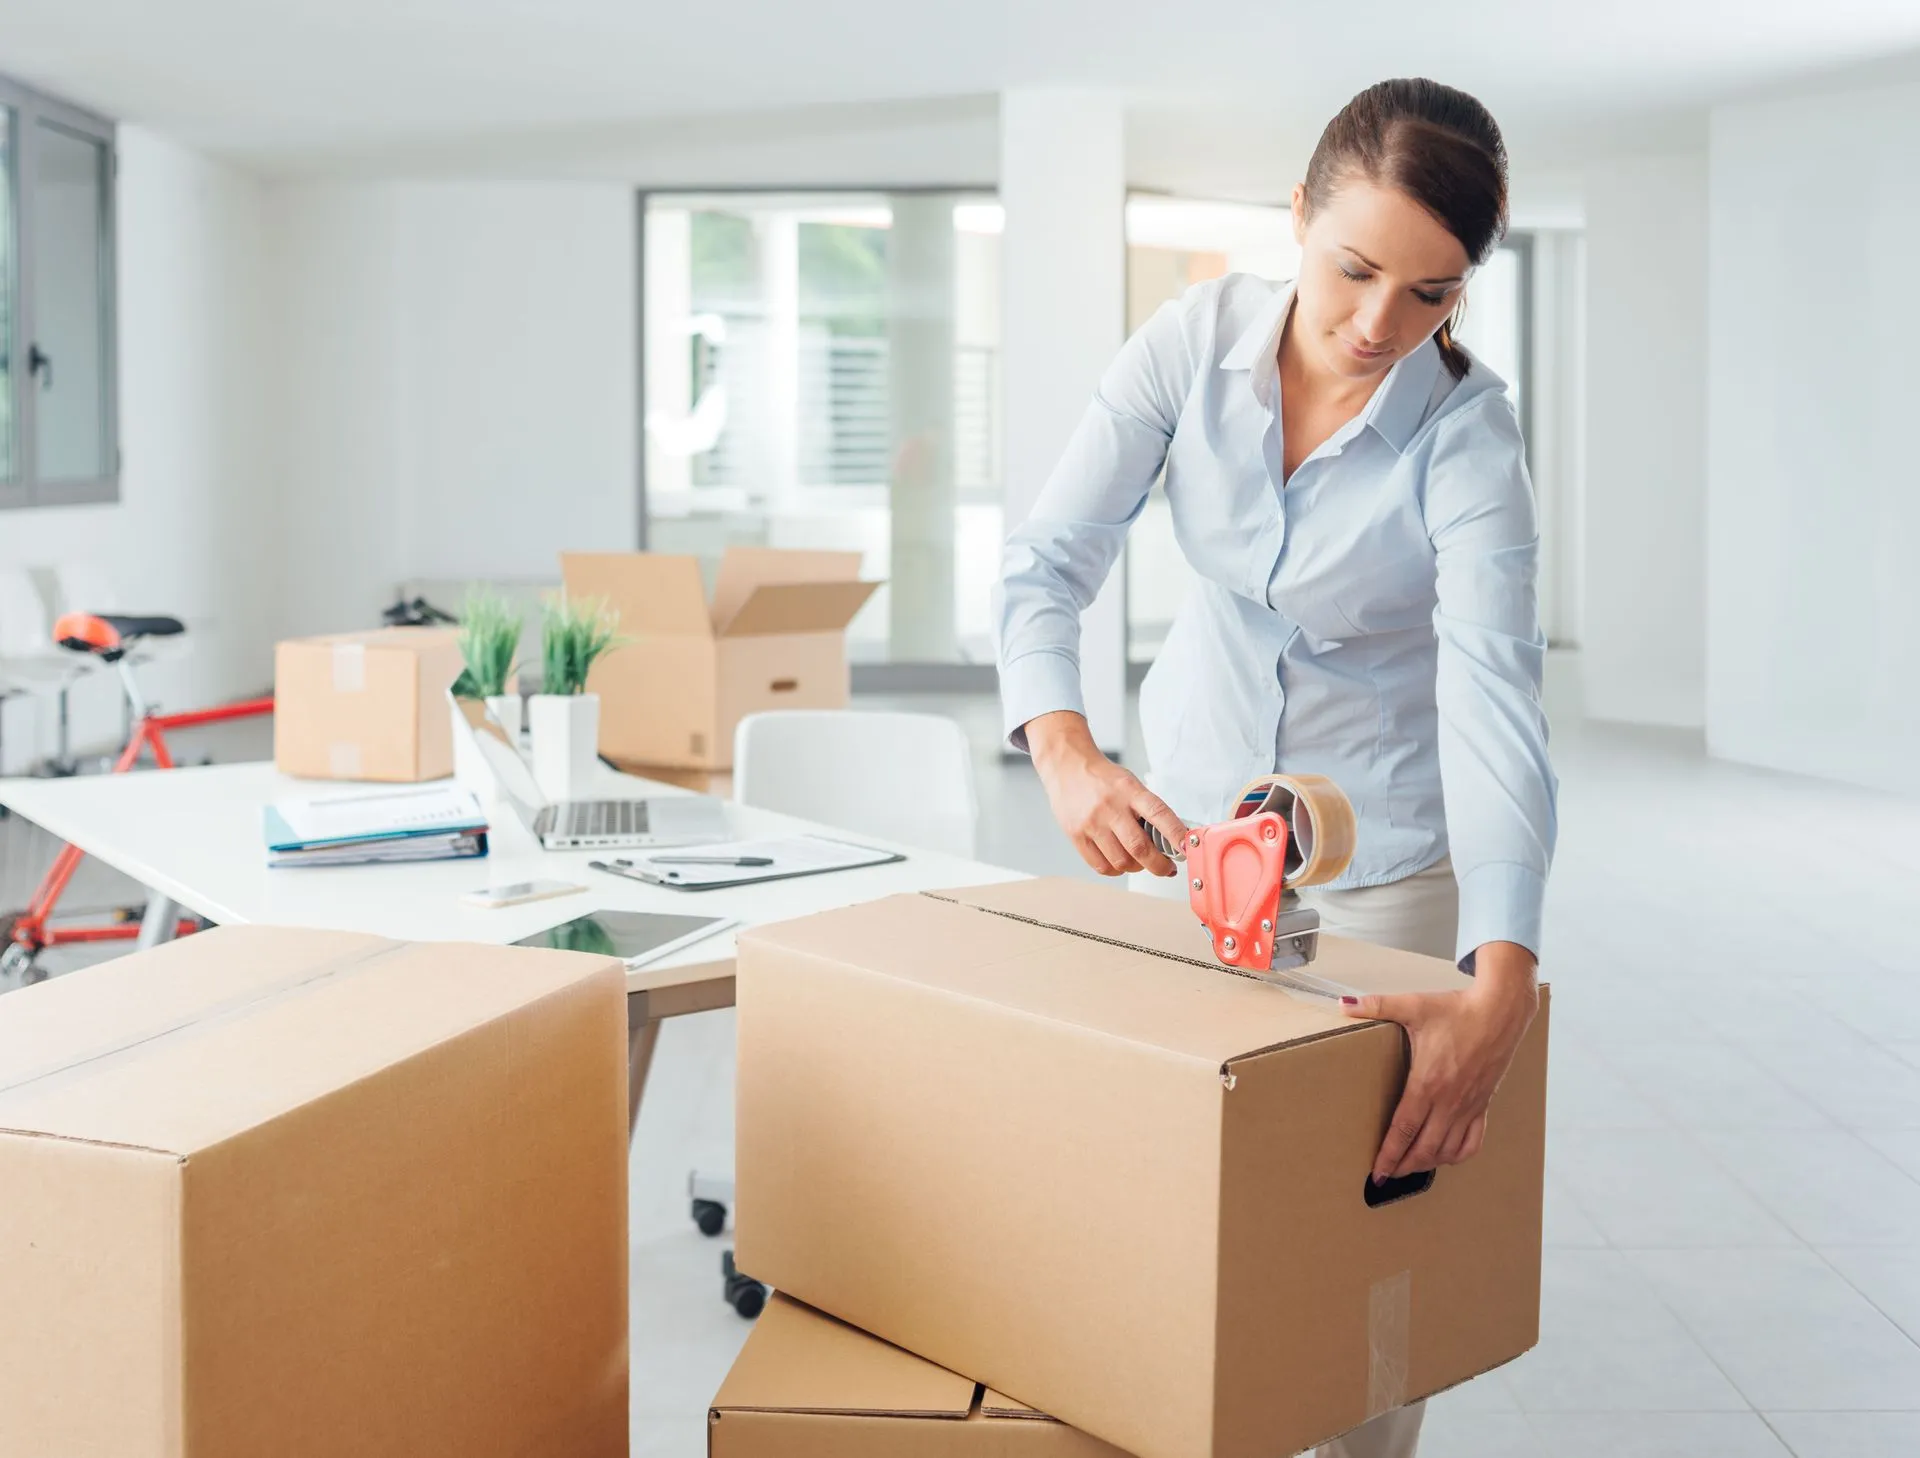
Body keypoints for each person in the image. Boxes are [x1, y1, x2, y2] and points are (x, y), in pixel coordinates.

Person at [995, 78, 1556, 1458]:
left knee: (1362, 1219)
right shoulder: (1189, 347)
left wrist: (1505, 973)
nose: (1379, 324)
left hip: (1387, 858)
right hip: (1186, 826)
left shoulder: (1470, 437)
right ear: (1296, 217)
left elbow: (1496, 699)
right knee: (1165, 1174)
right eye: (1354, 267)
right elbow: (1046, 563)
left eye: (1432, 293)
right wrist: (1063, 751)